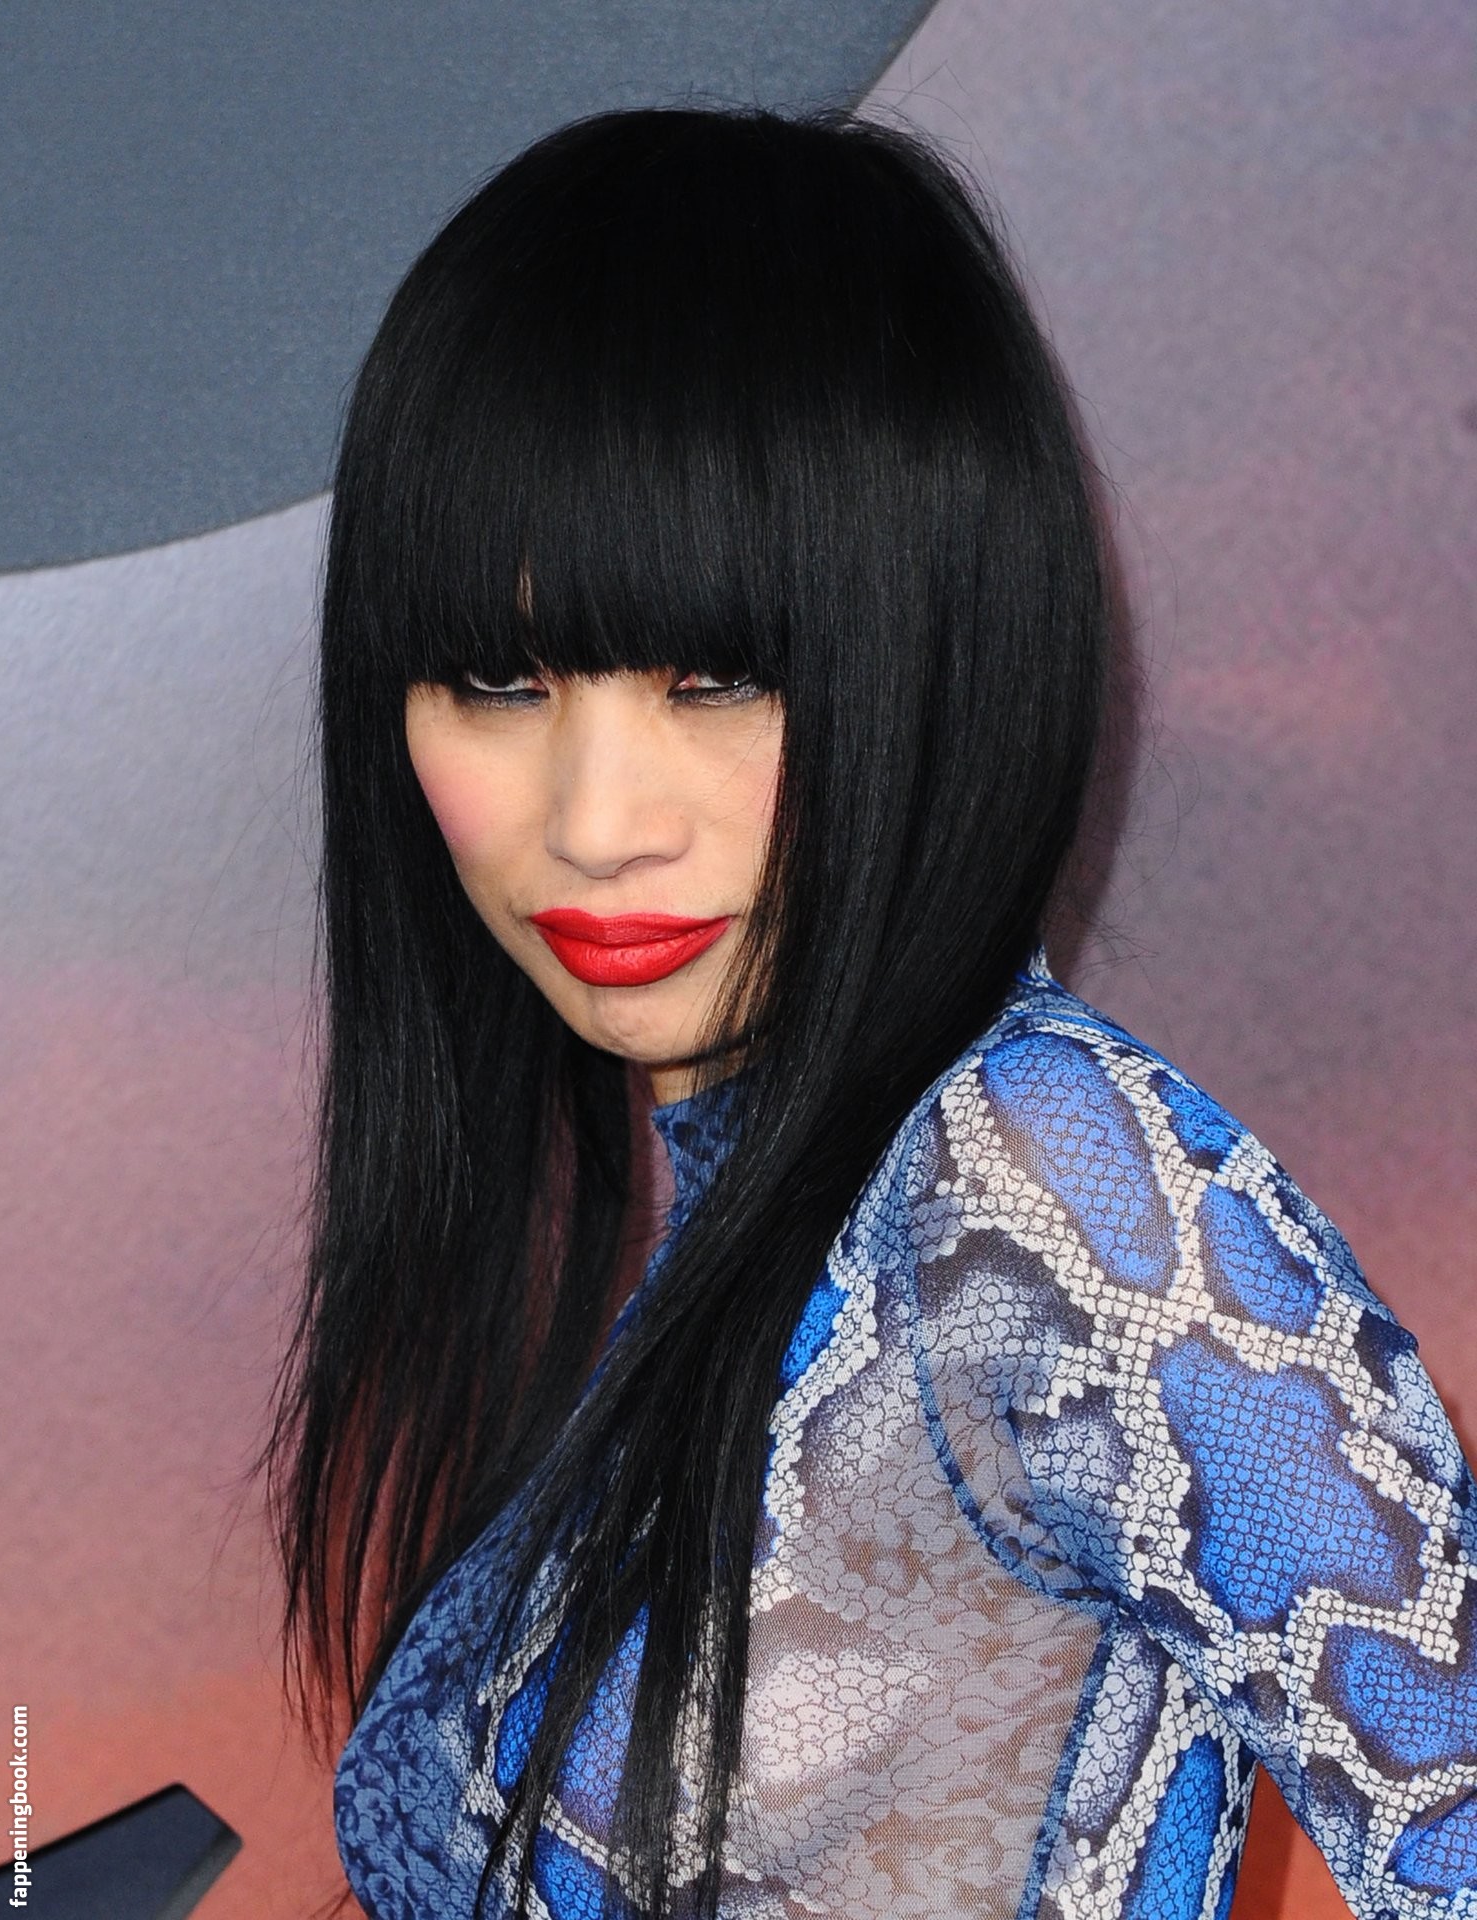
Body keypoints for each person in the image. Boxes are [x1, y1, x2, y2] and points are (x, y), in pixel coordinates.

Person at [264, 105, 1477, 1920]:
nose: (594, 822)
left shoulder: (1047, 1182)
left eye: (717, 677)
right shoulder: (729, 1222)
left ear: (937, 645)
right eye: (498, 680)